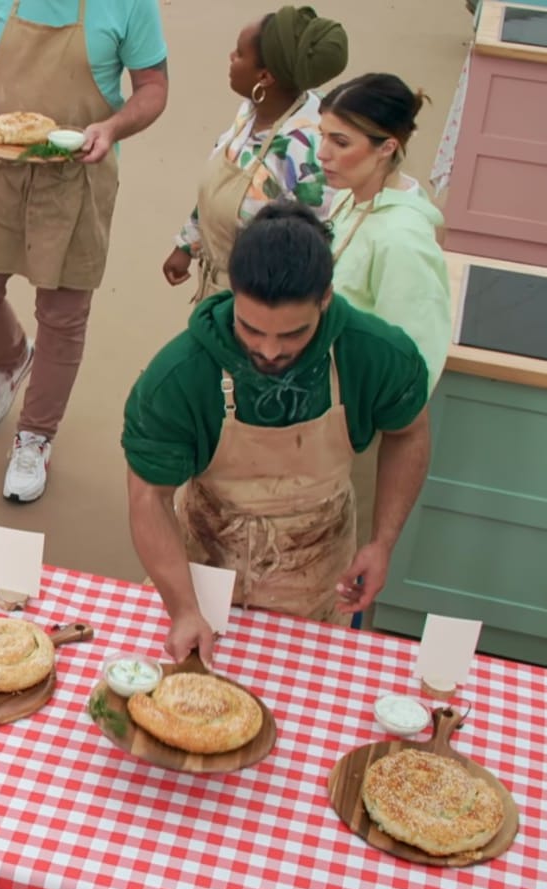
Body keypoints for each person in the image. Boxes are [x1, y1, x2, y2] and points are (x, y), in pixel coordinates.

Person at [123, 203, 431, 665]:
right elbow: (149, 496)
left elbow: (409, 433)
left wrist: (382, 541)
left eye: (292, 334)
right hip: (204, 560)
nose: (268, 350)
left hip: (319, 561)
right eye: (250, 329)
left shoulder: (376, 354)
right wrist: (184, 608)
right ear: (234, 293)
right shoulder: (178, 376)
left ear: (325, 298)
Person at [0, 0, 169, 504]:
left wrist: (114, 127)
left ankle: (35, 437)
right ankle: (12, 358)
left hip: (78, 168)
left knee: (62, 313)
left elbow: (153, 87)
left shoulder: (128, 6)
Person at [163, 5, 348, 300]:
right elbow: (219, 187)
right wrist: (188, 244)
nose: (231, 58)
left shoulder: (306, 148)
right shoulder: (251, 111)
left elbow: (318, 243)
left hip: (261, 301)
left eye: (239, 53)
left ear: (265, 77)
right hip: (219, 285)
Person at [319, 72, 453, 391]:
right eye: (321, 135)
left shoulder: (402, 240)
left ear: (387, 147)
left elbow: (416, 359)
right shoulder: (347, 198)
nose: (322, 153)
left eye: (340, 142)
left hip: (349, 412)